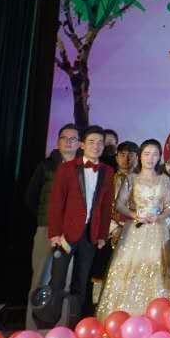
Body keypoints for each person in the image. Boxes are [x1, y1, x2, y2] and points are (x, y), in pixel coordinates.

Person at [97, 139, 170, 317]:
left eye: (155, 154)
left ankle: (157, 316)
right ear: (140, 156)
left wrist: (159, 217)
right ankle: (126, 315)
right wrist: (135, 215)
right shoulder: (131, 178)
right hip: (135, 230)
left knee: (157, 270)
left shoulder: (164, 179)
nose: (151, 158)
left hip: (158, 230)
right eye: (147, 154)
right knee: (130, 269)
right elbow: (119, 205)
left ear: (159, 157)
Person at [46, 126, 115, 317]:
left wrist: (102, 235)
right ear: (82, 145)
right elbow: (56, 203)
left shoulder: (108, 171)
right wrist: (54, 233)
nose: (96, 146)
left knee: (81, 282)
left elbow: (106, 206)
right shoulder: (67, 168)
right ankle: (49, 324)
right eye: (91, 142)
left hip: (90, 235)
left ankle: (74, 325)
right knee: (57, 281)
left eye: (100, 142)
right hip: (66, 234)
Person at [25, 123, 80, 323]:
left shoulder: (83, 168)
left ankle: (60, 328)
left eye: (73, 139)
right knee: (39, 277)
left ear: (79, 144)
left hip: (71, 233)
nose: (69, 142)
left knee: (64, 281)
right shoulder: (46, 166)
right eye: (64, 138)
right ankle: (32, 328)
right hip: (46, 229)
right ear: (58, 142)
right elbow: (31, 197)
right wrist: (46, 219)